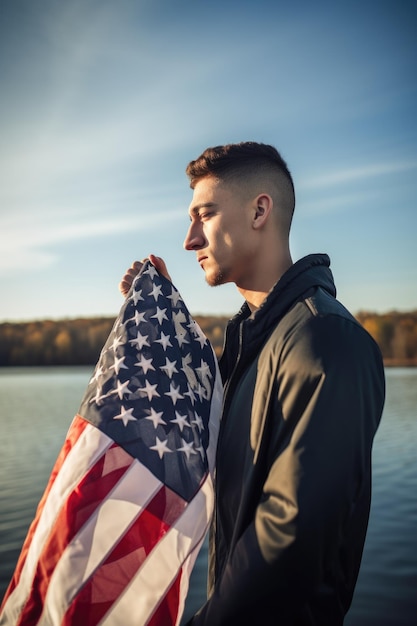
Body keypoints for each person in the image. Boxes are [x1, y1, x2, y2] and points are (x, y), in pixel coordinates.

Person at [119, 142, 385, 625]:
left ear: (260, 210)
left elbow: (291, 537)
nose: (189, 239)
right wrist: (162, 322)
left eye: (205, 214)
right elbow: (203, 438)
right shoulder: (251, 343)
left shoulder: (325, 342)